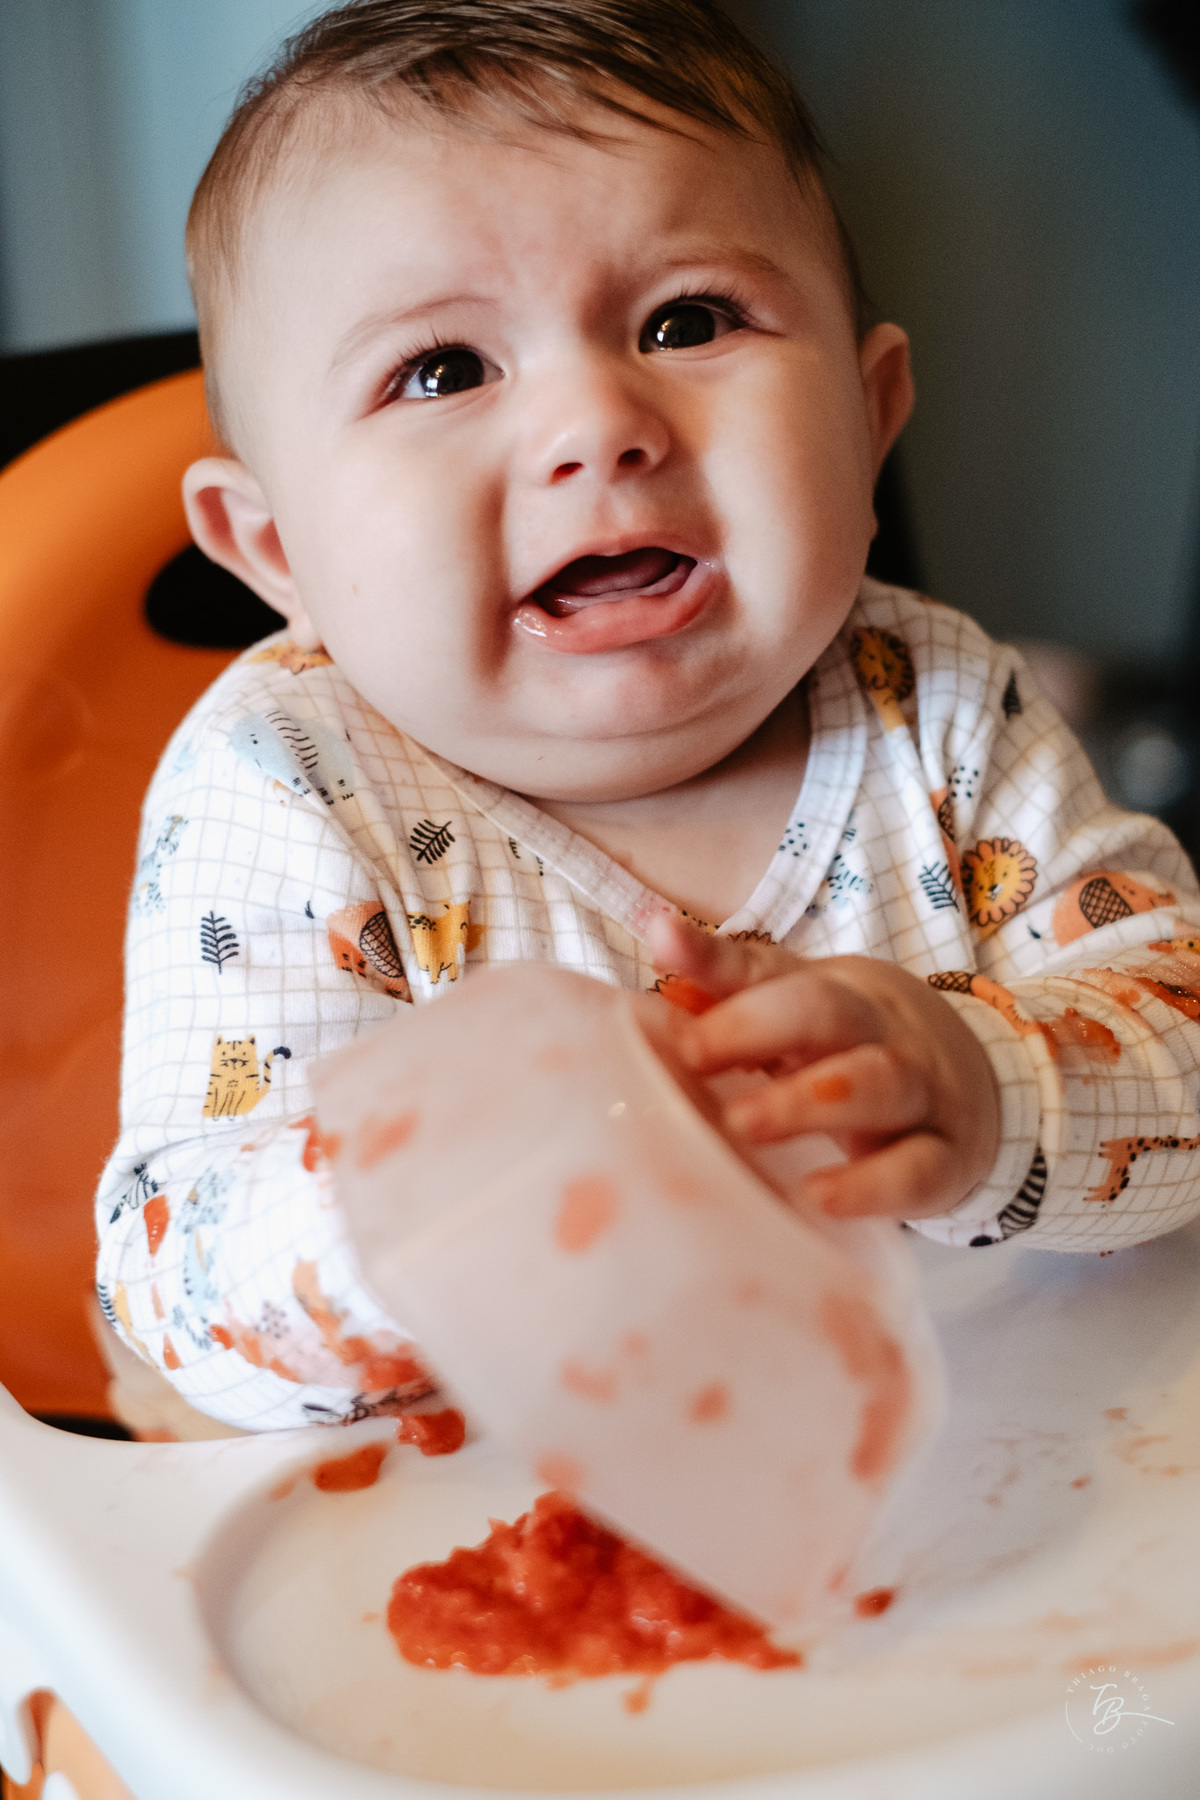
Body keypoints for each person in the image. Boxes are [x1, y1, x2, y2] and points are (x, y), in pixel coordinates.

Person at [96, 0, 1200, 1435]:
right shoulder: (292, 786)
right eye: (444, 370)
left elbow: (1179, 1025)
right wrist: (442, 1204)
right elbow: (178, 1284)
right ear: (277, 552)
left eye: (687, 321)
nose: (597, 424)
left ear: (871, 419)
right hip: (495, 1549)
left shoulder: (936, 709)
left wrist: (980, 1085)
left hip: (1006, 1489)